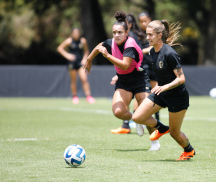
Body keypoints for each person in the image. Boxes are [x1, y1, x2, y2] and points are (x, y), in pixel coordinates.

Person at [132, 20, 196, 161]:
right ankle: (161, 128)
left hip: (177, 97)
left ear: (159, 35)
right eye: (147, 35)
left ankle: (189, 150)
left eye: (150, 35)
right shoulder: (153, 51)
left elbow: (181, 78)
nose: (147, 38)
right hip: (161, 93)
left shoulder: (169, 53)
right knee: (137, 117)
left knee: (174, 133)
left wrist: (164, 86)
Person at [84, 11, 151, 142]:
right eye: (114, 32)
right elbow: (99, 46)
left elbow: (126, 65)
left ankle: (154, 142)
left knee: (145, 112)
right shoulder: (111, 42)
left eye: (120, 32)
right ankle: (136, 119)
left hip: (139, 79)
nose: (116, 35)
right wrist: (89, 59)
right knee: (118, 112)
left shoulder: (130, 44)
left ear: (127, 33)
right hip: (124, 81)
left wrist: (108, 56)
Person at [109, 13, 160, 151]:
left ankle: (154, 141)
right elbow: (126, 60)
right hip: (129, 76)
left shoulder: (136, 37)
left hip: (143, 73)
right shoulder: (122, 38)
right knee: (133, 110)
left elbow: (131, 59)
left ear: (129, 25)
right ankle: (135, 121)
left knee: (147, 108)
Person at [57, 28, 95, 104]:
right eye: (75, 32)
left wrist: (84, 59)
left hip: (80, 63)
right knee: (74, 80)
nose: (76, 34)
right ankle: (75, 96)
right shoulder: (69, 41)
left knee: (84, 79)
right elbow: (59, 48)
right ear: (72, 33)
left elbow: (86, 50)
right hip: (72, 63)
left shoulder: (83, 40)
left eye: (77, 32)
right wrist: (67, 55)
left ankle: (88, 96)